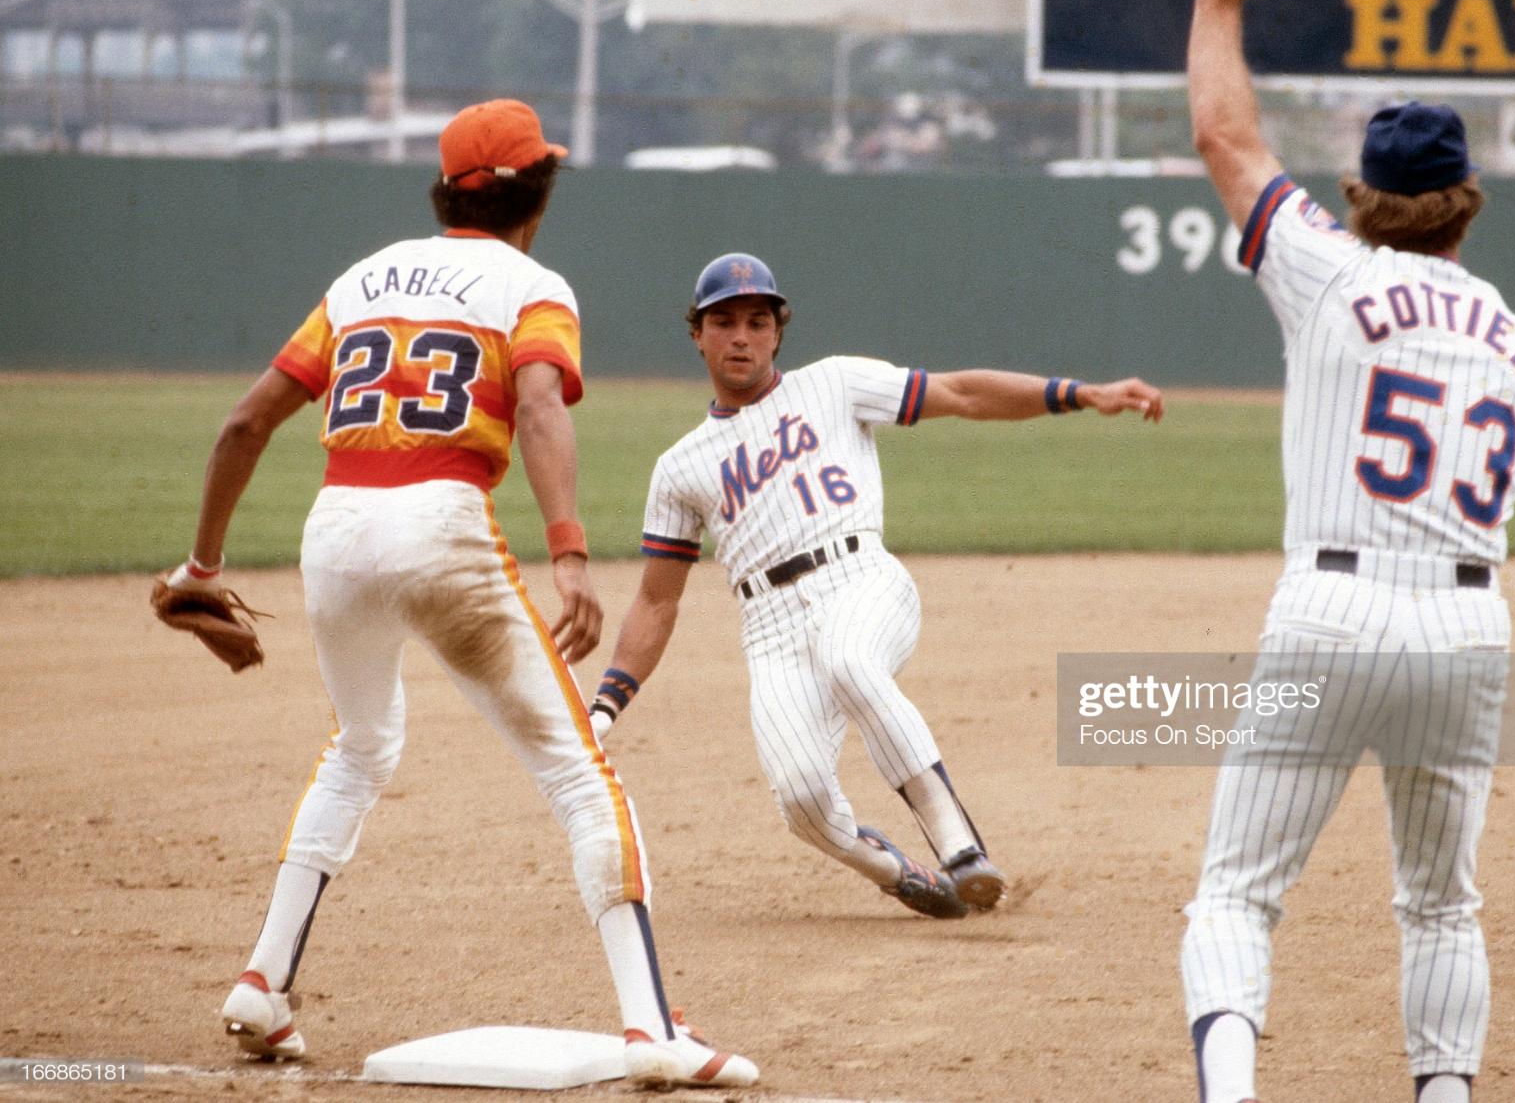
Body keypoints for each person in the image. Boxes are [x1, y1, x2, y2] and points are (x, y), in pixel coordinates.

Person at [156, 99, 756, 1088]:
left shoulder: (361, 280)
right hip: (440, 525)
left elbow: (243, 424)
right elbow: (533, 405)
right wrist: (567, 548)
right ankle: (652, 1031)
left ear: (447, 187)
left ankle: (263, 985)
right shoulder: (531, 283)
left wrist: (202, 570)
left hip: (335, 533)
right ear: (538, 189)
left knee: (358, 748)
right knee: (580, 778)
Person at [1179, 0, 1515, 1101]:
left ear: (1364, 198)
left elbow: (1223, 136)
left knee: (1236, 893)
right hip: (1465, 624)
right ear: (1465, 206)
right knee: (1440, 901)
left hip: (1330, 609)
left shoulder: (1327, 270)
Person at [583, 253, 1165, 919]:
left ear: (778, 331)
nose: (740, 335)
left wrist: (1080, 393)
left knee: (851, 660)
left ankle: (960, 845)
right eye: (723, 322)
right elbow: (657, 600)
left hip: (861, 580)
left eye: (756, 320)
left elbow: (962, 394)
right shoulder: (679, 467)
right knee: (800, 798)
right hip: (769, 627)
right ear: (697, 334)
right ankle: (898, 871)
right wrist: (604, 710)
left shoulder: (835, 384)